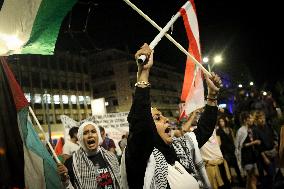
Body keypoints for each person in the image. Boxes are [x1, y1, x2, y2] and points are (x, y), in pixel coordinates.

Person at [120, 43, 222, 189]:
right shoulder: (140, 159)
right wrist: (143, 74)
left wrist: (212, 95)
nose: (166, 119)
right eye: (157, 118)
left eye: (162, 116)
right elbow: (140, 123)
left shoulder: (179, 149)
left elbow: (204, 130)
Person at [57, 121, 121, 188]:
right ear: (81, 138)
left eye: (93, 131)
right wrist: (65, 180)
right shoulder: (71, 163)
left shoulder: (111, 157)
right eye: (85, 133)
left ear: (98, 136)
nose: (90, 135)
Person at [235, 111, 260, 189]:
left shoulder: (250, 129)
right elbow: (239, 146)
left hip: (252, 156)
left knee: (250, 180)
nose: (252, 119)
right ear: (245, 120)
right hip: (246, 158)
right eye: (250, 118)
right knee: (252, 178)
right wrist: (254, 143)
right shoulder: (241, 131)